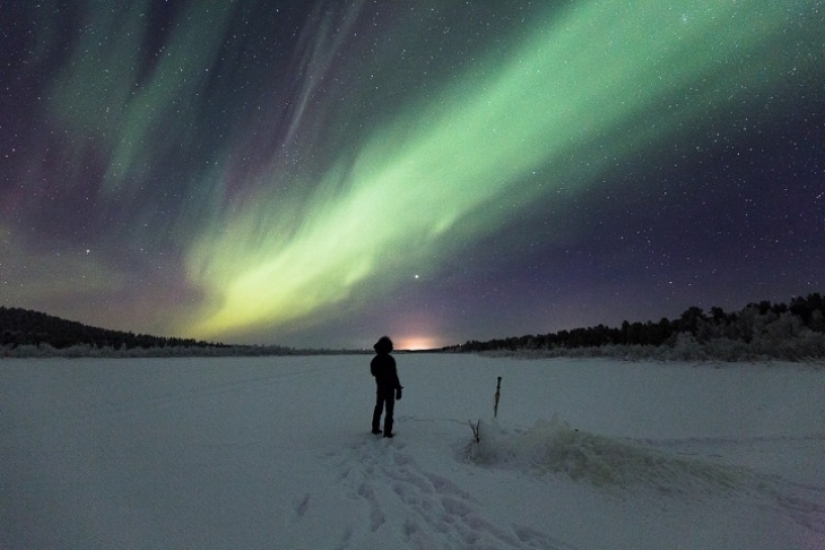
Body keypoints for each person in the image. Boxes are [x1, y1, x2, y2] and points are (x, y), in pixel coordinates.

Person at [370, 336, 402, 438]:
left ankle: (375, 429)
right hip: (388, 388)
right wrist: (397, 388)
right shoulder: (389, 359)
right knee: (389, 410)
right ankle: (387, 433)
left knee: (378, 408)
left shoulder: (375, 360)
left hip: (380, 388)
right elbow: (394, 375)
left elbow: (373, 373)